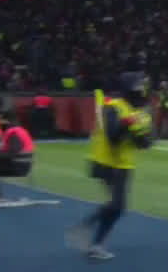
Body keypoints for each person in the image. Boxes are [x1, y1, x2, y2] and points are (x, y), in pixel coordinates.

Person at [65, 74, 153, 260]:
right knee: (117, 205)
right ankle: (88, 230)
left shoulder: (140, 112)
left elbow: (145, 144)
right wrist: (128, 124)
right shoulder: (113, 107)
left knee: (118, 207)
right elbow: (113, 136)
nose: (143, 92)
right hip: (106, 162)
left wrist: (140, 134)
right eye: (140, 88)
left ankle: (94, 241)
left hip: (123, 164)